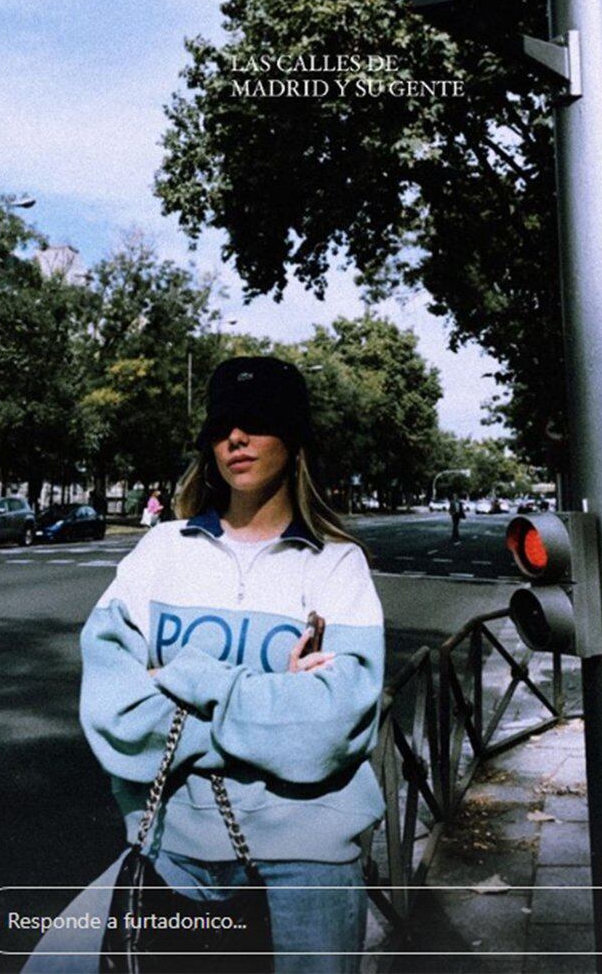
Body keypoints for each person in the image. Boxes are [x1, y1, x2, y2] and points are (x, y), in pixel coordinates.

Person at [79, 356, 385, 973]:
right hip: (172, 855)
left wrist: (187, 680)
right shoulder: (161, 550)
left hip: (311, 863)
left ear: (294, 439)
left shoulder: (336, 564)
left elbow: (332, 727)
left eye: (256, 422)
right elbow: (113, 712)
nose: (235, 438)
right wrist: (274, 703)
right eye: (221, 426)